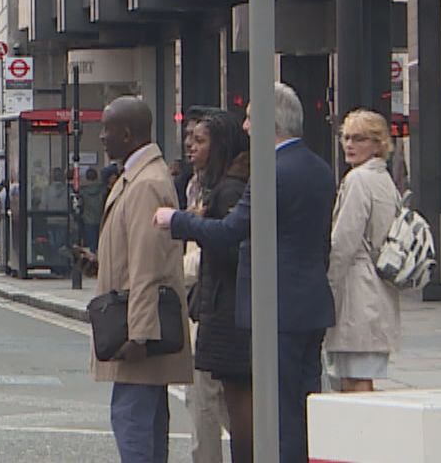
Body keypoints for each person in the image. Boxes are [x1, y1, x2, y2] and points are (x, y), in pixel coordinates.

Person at [157, 83, 334, 463]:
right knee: (304, 403)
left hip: (276, 307)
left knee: (278, 407)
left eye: (253, 118)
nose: (248, 128)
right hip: (312, 303)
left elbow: (232, 230)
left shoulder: (270, 172)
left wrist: (178, 221)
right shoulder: (320, 169)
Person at [93, 95, 193, 463]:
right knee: (144, 422)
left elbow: (147, 263)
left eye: (107, 129)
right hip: (137, 318)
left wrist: (139, 334)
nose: (101, 137)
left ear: (127, 132)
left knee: (132, 423)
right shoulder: (136, 177)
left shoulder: (146, 183)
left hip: (138, 328)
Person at [181, 113, 252, 463]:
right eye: (189, 137)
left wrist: (190, 228)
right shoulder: (203, 184)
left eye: (200, 139)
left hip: (223, 312)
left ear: (219, 145)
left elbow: (228, 248)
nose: (190, 145)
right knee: (215, 401)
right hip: (211, 306)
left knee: (208, 400)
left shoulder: (230, 190)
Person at [325, 109, 402, 393]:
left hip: (357, 288)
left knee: (354, 376)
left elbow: (343, 241)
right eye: (345, 137)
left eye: (359, 138)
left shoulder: (358, 180)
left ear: (378, 143)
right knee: (359, 372)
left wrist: (327, 285)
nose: (349, 144)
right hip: (377, 284)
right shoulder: (385, 181)